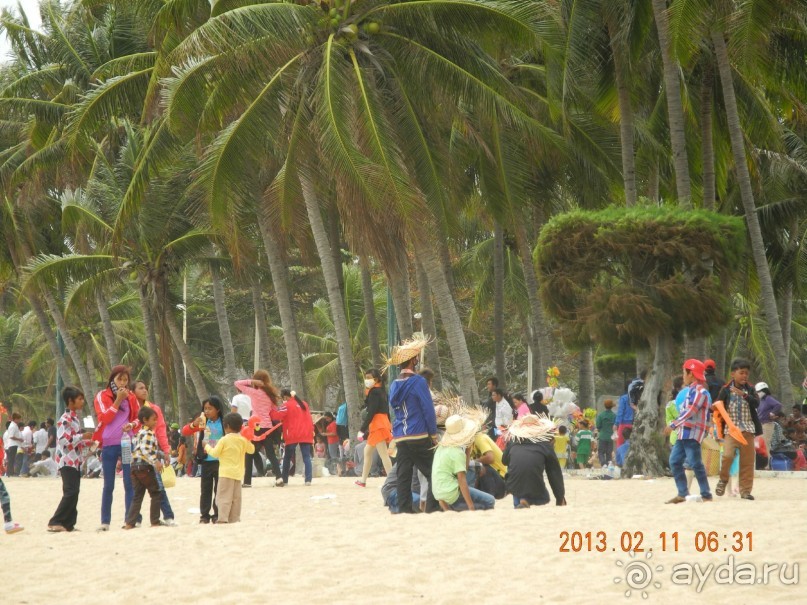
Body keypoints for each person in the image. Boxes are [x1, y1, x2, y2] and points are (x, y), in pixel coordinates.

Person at [387, 335, 440, 513]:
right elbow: (428, 410)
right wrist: (433, 435)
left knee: (403, 475)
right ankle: (432, 509)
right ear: (413, 360)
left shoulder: (394, 384)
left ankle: (404, 510)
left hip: (401, 435)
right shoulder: (419, 382)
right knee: (433, 472)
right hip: (418, 434)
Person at [94, 365, 140, 531]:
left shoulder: (132, 397)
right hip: (108, 445)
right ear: (112, 379)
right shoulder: (102, 395)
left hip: (126, 443)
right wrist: (118, 399)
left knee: (129, 482)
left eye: (125, 380)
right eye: (119, 379)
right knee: (108, 485)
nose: (122, 382)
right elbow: (105, 418)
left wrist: (131, 424)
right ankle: (105, 521)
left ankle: (129, 520)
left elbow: (138, 419)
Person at [664, 359, 713, 504]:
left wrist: (673, 424)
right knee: (674, 461)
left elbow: (691, 411)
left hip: (692, 433)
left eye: (684, 372)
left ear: (691, 373)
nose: (683, 375)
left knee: (695, 463)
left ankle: (706, 494)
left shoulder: (700, 391)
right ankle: (683, 493)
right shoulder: (690, 391)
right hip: (683, 433)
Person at [714, 359, 761, 500]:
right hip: (731, 431)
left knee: (747, 462)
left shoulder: (751, 389)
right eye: (741, 373)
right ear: (733, 374)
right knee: (727, 456)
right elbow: (718, 407)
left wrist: (744, 395)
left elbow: (757, 403)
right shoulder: (725, 390)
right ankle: (723, 480)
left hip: (748, 430)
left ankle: (745, 491)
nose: (744, 376)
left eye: (747, 373)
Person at [48, 386, 92, 532]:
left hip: (75, 460)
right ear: (70, 401)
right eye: (79, 399)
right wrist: (82, 436)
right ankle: (55, 521)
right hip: (67, 460)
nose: (82, 402)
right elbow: (62, 440)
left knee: (74, 491)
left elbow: (74, 441)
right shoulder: (65, 419)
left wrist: (88, 442)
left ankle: (69, 523)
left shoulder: (74, 418)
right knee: (71, 491)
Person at [133, 381, 177, 526]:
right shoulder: (129, 409)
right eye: (140, 388)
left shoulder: (154, 409)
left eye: (145, 388)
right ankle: (135, 520)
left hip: (151, 455)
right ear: (132, 392)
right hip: (137, 458)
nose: (144, 390)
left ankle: (168, 517)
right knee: (136, 492)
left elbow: (161, 430)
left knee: (158, 487)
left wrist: (165, 451)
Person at [432, 415, 495, 511]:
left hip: (439, 492)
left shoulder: (442, 447)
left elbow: (463, 468)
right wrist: (471, 506)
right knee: (490, 501)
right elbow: (462, 480)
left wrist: (468, 449)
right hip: (452, 493)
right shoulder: (457, 453)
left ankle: (449, 506)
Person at [503, 414, 565, 508]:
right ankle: (526, 500)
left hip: (513, 485)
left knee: (516, 471)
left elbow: (504, 461)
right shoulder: (545, 445)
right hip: (534, 484)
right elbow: (554, 474)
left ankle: (520, 500)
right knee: (544, 497)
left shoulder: (513, 443)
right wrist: (560, 498)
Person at [234, 370, 283, 487]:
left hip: (256, 426)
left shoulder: (254, 393)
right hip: (268, 427)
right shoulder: (269, 395)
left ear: (258, 380)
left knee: (249, 453)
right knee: (270, 454)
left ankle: (247, 481)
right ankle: (279, 478)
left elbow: (237, 383)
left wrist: (252, 381)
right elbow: (275, 410)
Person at [204, 413, 254, 524]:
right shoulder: (243, 440)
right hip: (238, 474)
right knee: (236, 499)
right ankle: (234, 519)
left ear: (226, 426)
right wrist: (249, 438)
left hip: (225, 474)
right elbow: (251, 450)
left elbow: (215, 453)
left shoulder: (224, 440)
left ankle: (222, 518)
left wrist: (206, 446)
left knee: (223, 497)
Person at [183, 396, 225, 523]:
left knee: (219, 489)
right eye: (205, 408)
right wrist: (193, 424)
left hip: (220, 461)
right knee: (205, 489)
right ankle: (204, 515)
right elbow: (185, 431)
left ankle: (217, 514)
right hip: (206, 460)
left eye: (210, 408)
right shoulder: (203, 422)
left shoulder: (224, 422)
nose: (207, 411)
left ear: (217, 409)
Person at [123, 407, 165, 529]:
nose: (155, 422)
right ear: (145, 420)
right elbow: (145, 450)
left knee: (138, 495)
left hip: (134, 467)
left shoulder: (137, 434)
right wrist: (156, 461)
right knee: (155, 492)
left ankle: (129, 523)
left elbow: (140, 449)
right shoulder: (149, 433)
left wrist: (160, 454)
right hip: (144, 467)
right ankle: (155, 521)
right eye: (153, 420)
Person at [356, 368, 393, 487]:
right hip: (381, 423)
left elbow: (371, 412)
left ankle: (393, 481)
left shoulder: (374, 392)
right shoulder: (381, 391)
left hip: (378, 424)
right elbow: (386, 410)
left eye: (369, 378)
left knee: (383, 454)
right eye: (366, 378)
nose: (366, 380)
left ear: (376, 379)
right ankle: (363, 480)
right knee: (367, 452)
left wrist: (362, 429)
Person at [271, 390, 315, 486]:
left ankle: (285, 480)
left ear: (285, 397)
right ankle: (308, 480)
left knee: (287, 457)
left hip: (292, 434)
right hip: (306, 433)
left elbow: (276, 416)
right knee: (306, 457)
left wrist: (271, 407)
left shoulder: (286, 406)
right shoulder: (304, 404)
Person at [468, 428, 507, 498]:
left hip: (502, 478)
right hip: (491, 479)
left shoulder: (480, 438)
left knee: (482, 467)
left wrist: (471, 462)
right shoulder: (469, 444)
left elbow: (490, 458)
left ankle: (489, 497)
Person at [755, 382, 782, 469]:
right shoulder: (762, 400)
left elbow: (778, 404)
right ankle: (762, 464)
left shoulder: (768, 398)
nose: (758, 393)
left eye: (759, 391)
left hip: (767, 424)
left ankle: (767, 466)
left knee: (765, 444)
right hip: (761, 425)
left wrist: (772, 413)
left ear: (764, 391)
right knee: (760, 445)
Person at [596, 399, 616, 466]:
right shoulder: (614, 415)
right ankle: (608, 465)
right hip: (611, 437)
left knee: (601, 452)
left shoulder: (601, 415)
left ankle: (603, 463)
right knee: (609, 452)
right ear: (612, 406)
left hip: (602, 436)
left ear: (604, 406)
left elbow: (598, 426)